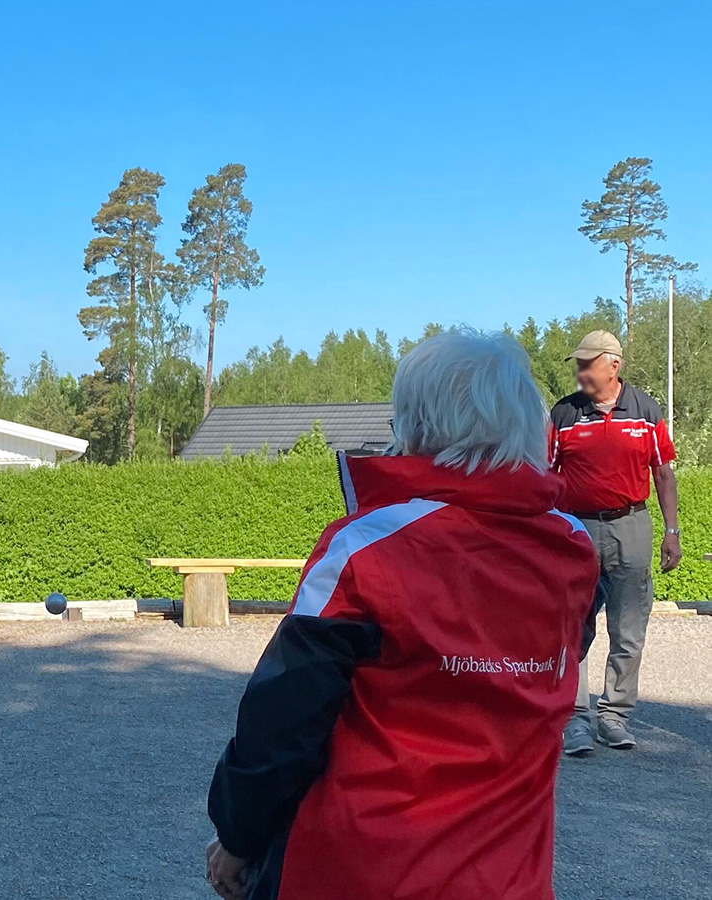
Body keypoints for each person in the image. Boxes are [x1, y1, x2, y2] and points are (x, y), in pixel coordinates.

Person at [204, 331, 598, 900]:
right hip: (509, 875)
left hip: (362, 867)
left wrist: (238, 838)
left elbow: (282, 722)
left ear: (415, 423)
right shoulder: (573, 549)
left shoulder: (364, 548)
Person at [549, 330, 681, 756]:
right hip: (576, 530)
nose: (581, 371)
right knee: (572, 625)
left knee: (629, 628)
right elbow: (544, 477)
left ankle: (614, 716)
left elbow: (663, 474)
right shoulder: (564, 413)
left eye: (588, 363)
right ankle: (574, 719)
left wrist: (672, 532)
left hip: (632, 526)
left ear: (613, 365)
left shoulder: (645, 410)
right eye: (579, 364)